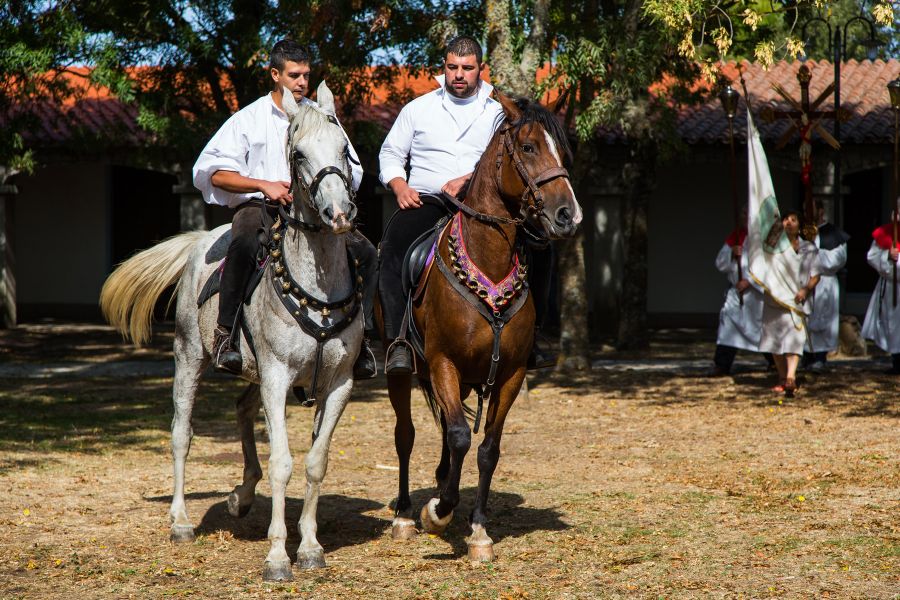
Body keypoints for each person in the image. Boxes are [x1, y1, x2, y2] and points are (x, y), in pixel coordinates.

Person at [193, 39, 377, 378]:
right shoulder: (248, 119)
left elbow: (353, 168)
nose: (302, 82)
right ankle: (225, 335)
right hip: (261, 206)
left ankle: (361, 342)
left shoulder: (323, 117)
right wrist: (263, 184)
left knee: (366, 253)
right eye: (294, 75)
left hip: (314, 213)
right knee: (245, 242)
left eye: (306, 75)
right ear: (275, 74)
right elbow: (213, 173)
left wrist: (329, 193)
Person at [377, 35, 554, 373]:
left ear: (480, 69)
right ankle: (397, 341)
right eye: (452, 67)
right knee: (394, 249)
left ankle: (535, 337)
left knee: (542, 247)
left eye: (467, 68)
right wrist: (398, 185)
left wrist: (469, 178)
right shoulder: (418, 108)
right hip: (427, 201)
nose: (458, 74)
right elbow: (390, 154)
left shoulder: (498, 111)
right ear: (443, 68)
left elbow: (512, 156)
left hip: (489, 208)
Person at [753, 211, 822, 397]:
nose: (789, 223)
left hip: (796, 298)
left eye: (793, 220)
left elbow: (816, 275)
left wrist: (805, 290)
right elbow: (761, 265)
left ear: (799, 224)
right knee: (774, 341)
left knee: (794, 338)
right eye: (786, 219)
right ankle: (782, 377)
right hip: (775, 299)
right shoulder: (772, 247)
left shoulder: (809, 248)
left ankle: (791, 377)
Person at [709, 218, 769, 376]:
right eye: (742, 213)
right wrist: (731, 253)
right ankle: (722, 364)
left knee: (762, 330)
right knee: (728, 326)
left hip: (757, 295)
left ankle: (775, 361)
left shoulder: (765, 237)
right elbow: (720, 263)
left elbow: (771, 266)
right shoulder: (736, 237)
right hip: (736, 294)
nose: (745, 217)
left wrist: (750, 281)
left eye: (747, 213)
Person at [803, 200, 848, 372]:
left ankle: (820, 357)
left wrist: (814, 252)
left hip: (824, 282)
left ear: (821, 211)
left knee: (822, 319)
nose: (806, 211)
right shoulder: (802, 232)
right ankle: (806, 356)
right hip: (805, 283)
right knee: (804, 319)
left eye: (811, 208)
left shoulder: (833, 233)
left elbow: (837, 260)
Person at [861, 219, 900, 373]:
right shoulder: (887, 232)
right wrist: (888, 255)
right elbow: (872, 256)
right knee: (893, 326)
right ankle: (897, 361)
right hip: (891, 287)